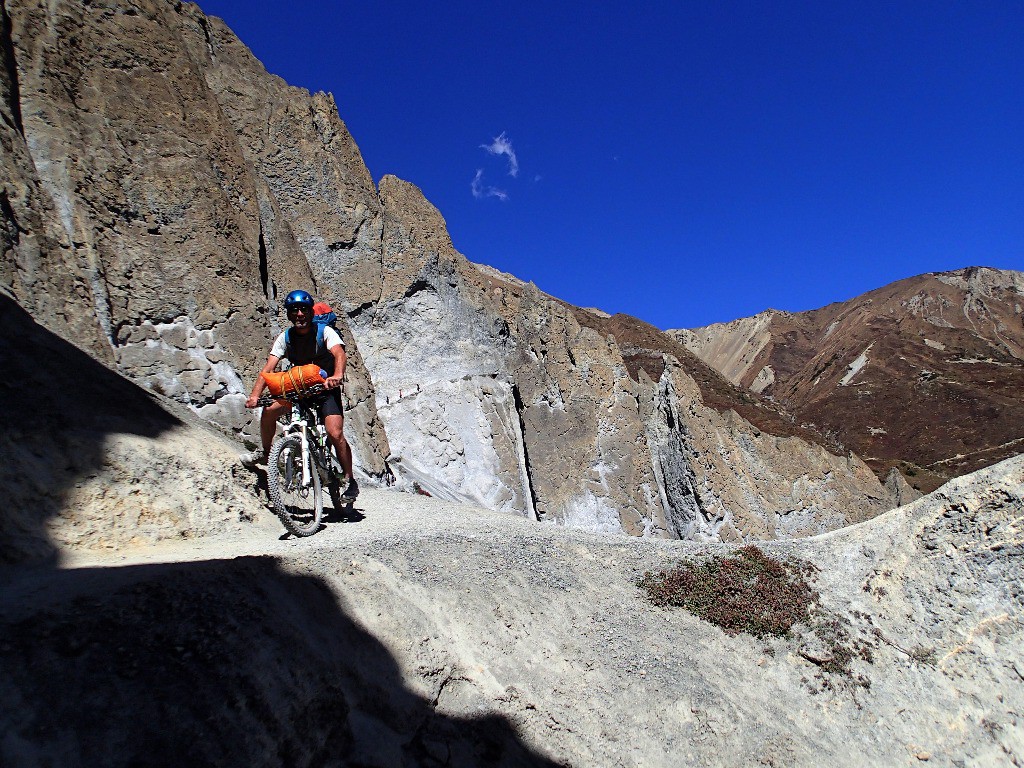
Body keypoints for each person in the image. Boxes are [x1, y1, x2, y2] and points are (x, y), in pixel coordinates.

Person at [240, 289, 358, 500]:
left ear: (311, 312)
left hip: (325, 390)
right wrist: (255, 395)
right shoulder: (285, 337)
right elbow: (268, 369)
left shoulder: (325, 332)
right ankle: (267, 454)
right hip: (299, 390)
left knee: (335, 433)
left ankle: (349, 480)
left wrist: (337, 375)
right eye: (294, 310)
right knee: (269, 410)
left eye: (304, 309)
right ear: (289, 314)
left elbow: (339, 353)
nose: (299, 314)